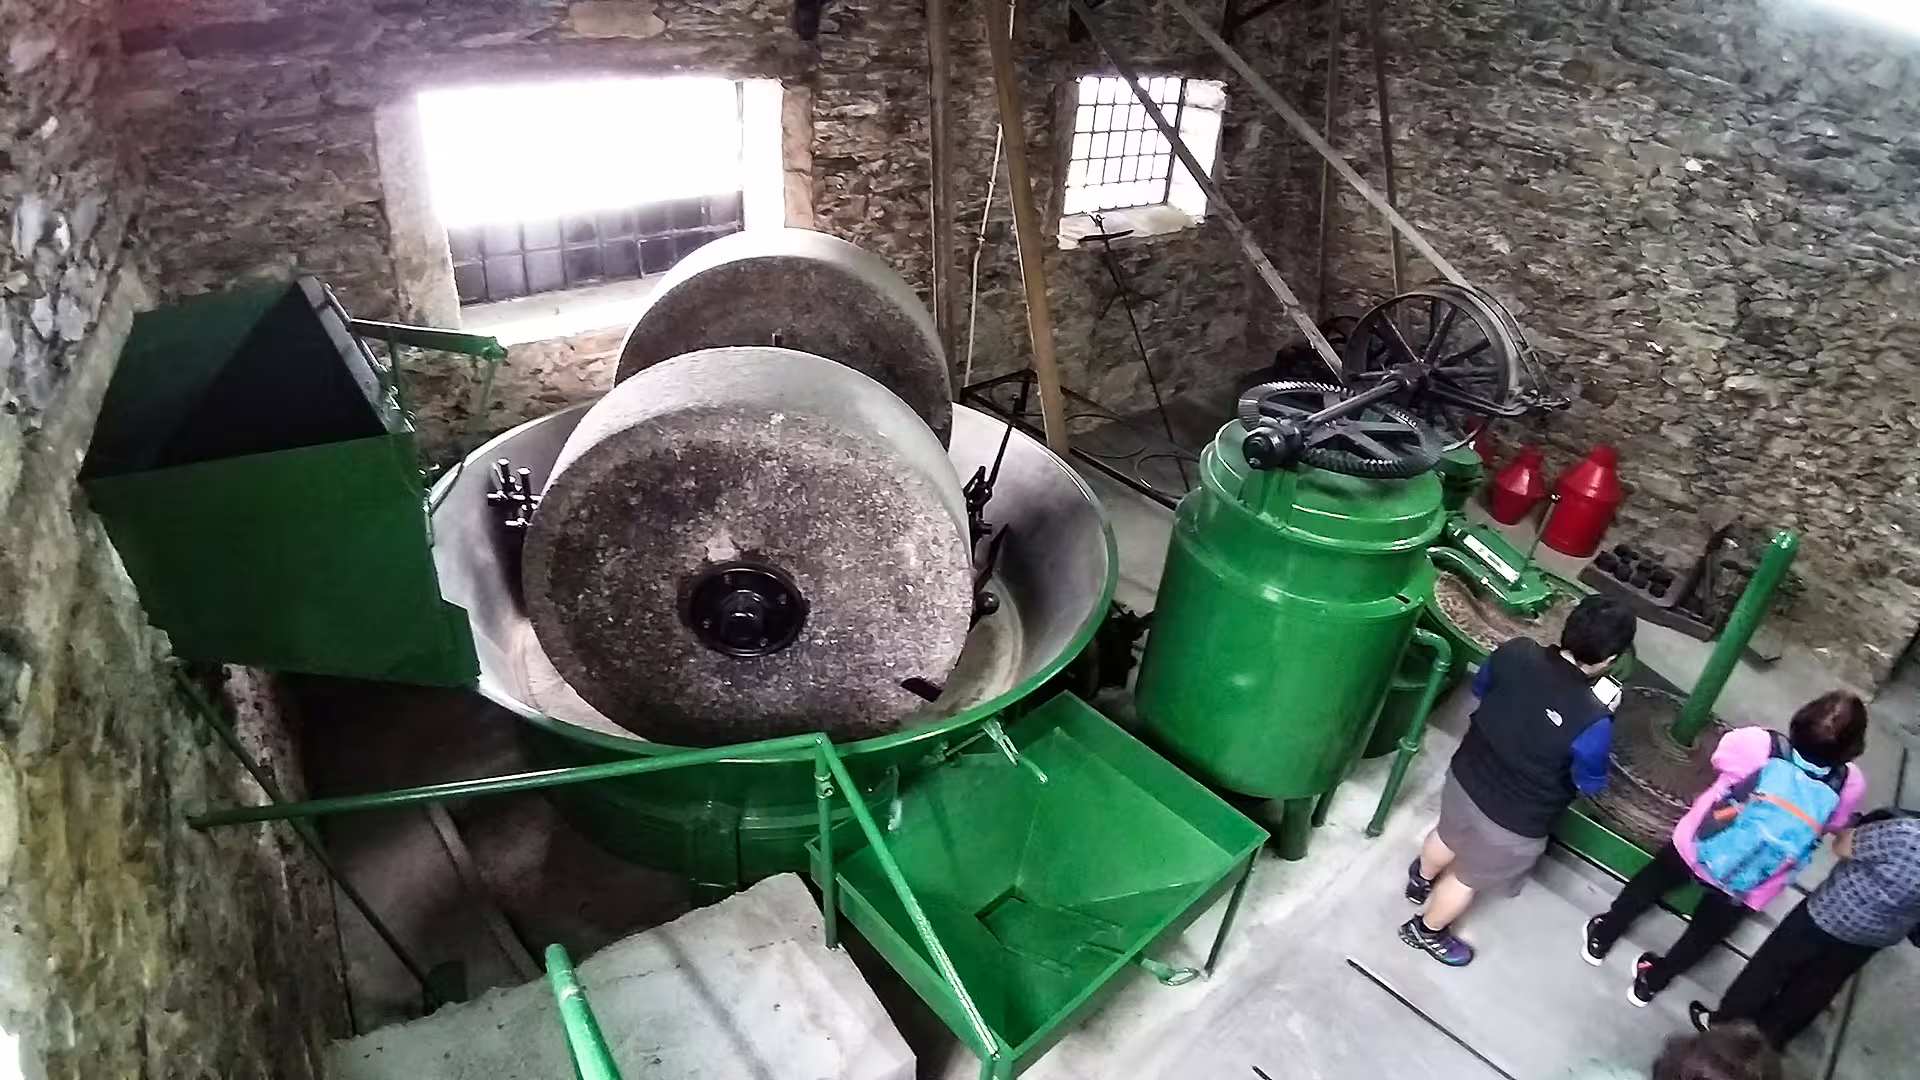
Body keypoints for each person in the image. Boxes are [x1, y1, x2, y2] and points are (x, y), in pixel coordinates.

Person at [1581, 691, 1869, 1007]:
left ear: (1800, 720)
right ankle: (1652, 980)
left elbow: (1719, 758)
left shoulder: (1759, 744)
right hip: (1754, 877)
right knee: (1705, 933)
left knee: (1649, 885)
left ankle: (1602, 936)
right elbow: (1833, 823)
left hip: (1700, 843)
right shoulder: (1849, 783)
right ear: (1853, 748)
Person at [1400, 593, 1637, 966]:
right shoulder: (1594, 722)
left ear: (1568, 627)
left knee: (1447, 833)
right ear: (1610, 660)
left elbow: (1481, 690)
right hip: (1513, 822)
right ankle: (1424, 930)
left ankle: (1421, 878)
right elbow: (1589, 783)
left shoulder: (1516, 652)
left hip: (1466, 775)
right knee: (1466, 878)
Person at [1689, 806, 1920, 1047]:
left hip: (1828, 912)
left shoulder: (1906, 835)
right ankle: (1761, 1051)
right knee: (1813, 991)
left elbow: (1843, 847)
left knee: (1769, 969)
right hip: (1875, 936)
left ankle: (1722, 1029)